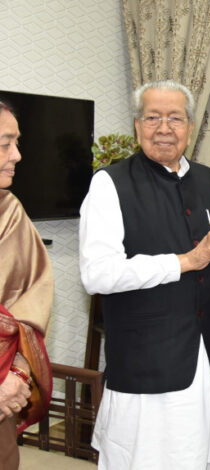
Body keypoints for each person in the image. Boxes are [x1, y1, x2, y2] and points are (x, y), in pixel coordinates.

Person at [79, 80, 210, 470]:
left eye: (175, 118)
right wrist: (183, 262)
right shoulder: (109, 184)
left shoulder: (208, 179)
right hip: (148, 368)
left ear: (190, 127)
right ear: (137, 126)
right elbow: (97, 275)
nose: (164, 128)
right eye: (153, 117)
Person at [0, 101, 53, 470]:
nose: (17, 155)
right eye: (5, 143)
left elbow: (30, 303)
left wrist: (16, 375)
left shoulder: (10, 212)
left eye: (16, 142)